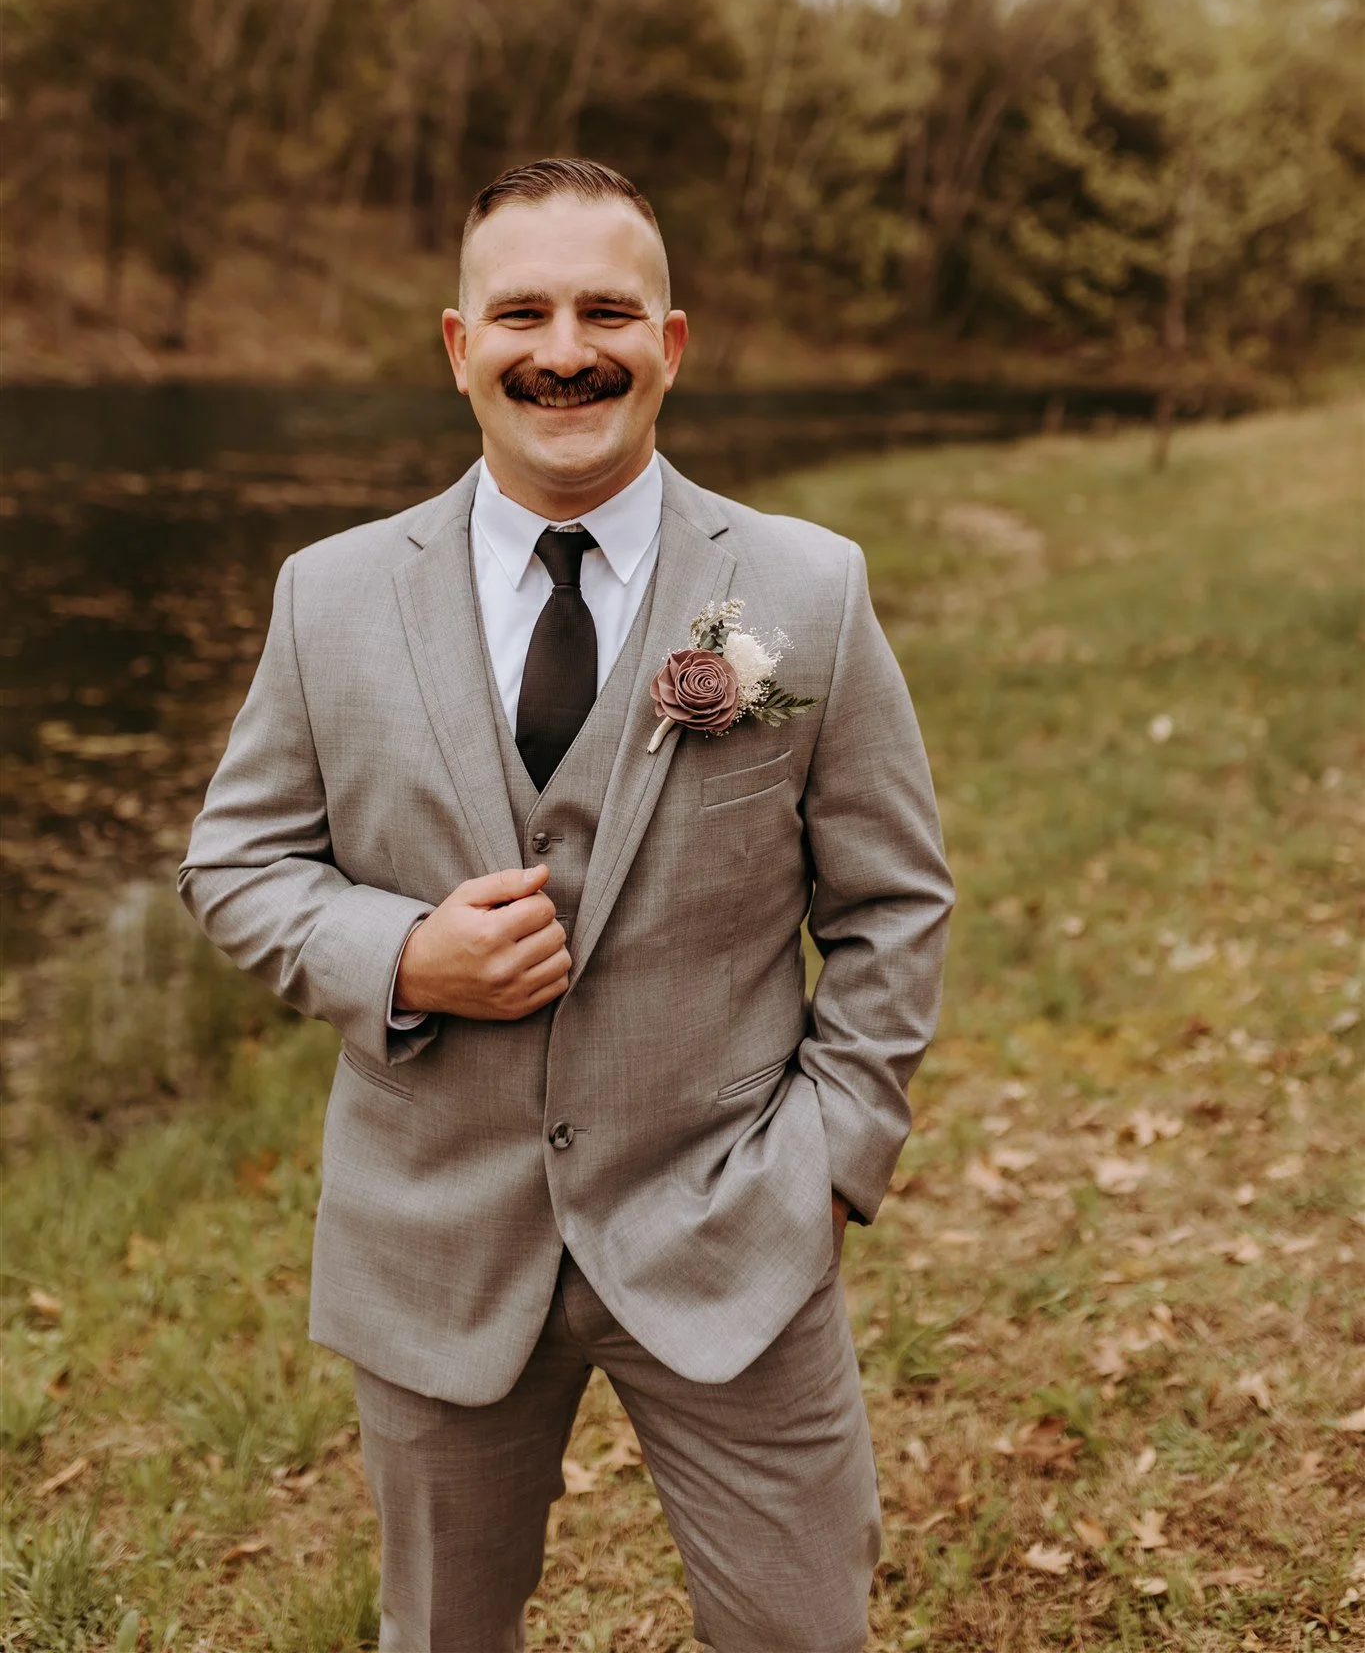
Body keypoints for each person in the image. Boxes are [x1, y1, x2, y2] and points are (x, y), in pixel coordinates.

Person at [179, 157, 953, 1653]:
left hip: (735, 1227)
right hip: (436, 1237)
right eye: (520, 311)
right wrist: (399, 952)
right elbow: (237, 863)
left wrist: (829, 1158)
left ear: (669, 344)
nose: (563, 347)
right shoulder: (326, 597)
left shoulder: (804, 588)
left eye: (607, 308)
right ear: (458, 346)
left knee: (805, 1632)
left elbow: (893, 904)